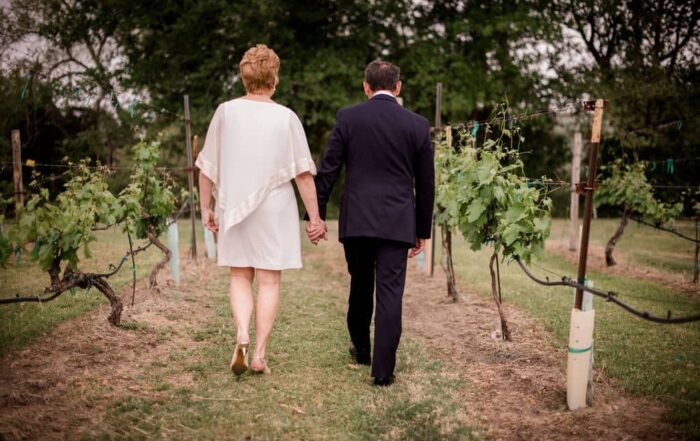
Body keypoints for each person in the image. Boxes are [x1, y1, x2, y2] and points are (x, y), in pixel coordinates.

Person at [197, 44, 326, 376]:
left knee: (240, 275)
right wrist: (314, 218)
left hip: (234, 205)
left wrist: (205, 208)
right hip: (274, 207)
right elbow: (302, 173)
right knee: (269, 281)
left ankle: (241, 334)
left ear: (244, 77)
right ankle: (259, 354)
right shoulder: (286, 117)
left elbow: (206, 168)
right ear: (275, 78)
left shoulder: (225, 111)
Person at [307, 60, 435, 386]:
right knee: (390, 293)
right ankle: (382, 371)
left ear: (366, 86)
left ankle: (361, 349)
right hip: (397, 223)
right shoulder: (417, 125)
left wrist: (316, 214)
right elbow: (426, 182)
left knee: (360, 284)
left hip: (358, 221)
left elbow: (329, 169)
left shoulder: (348, 117)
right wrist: (422, 230)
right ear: (398, 87)